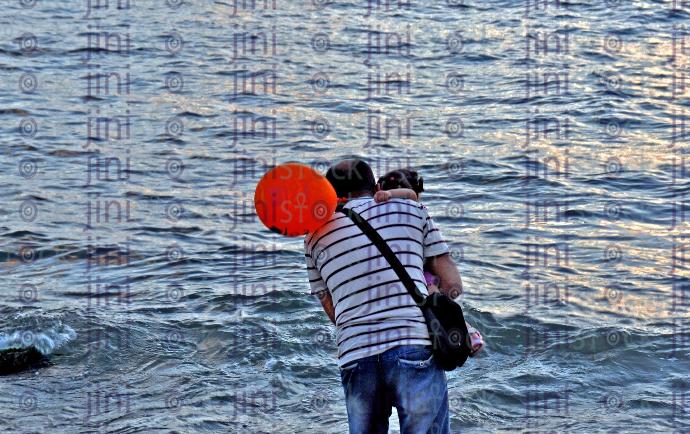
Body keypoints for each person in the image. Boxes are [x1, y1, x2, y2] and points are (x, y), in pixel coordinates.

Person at [303, 158, 464, 434]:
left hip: (356, 354)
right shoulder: (411, 208)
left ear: (331, 195)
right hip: (412, 346)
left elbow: (333, 311)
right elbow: (452, 284)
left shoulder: (313, 236)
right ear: (376, 186)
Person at [374, 169, 484, 356]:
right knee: (437, 300)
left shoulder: (368, 214)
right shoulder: (415, 210)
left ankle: (466, 331)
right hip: (419, 280)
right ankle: (467, 332)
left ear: (378, 188)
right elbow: (452, 284)